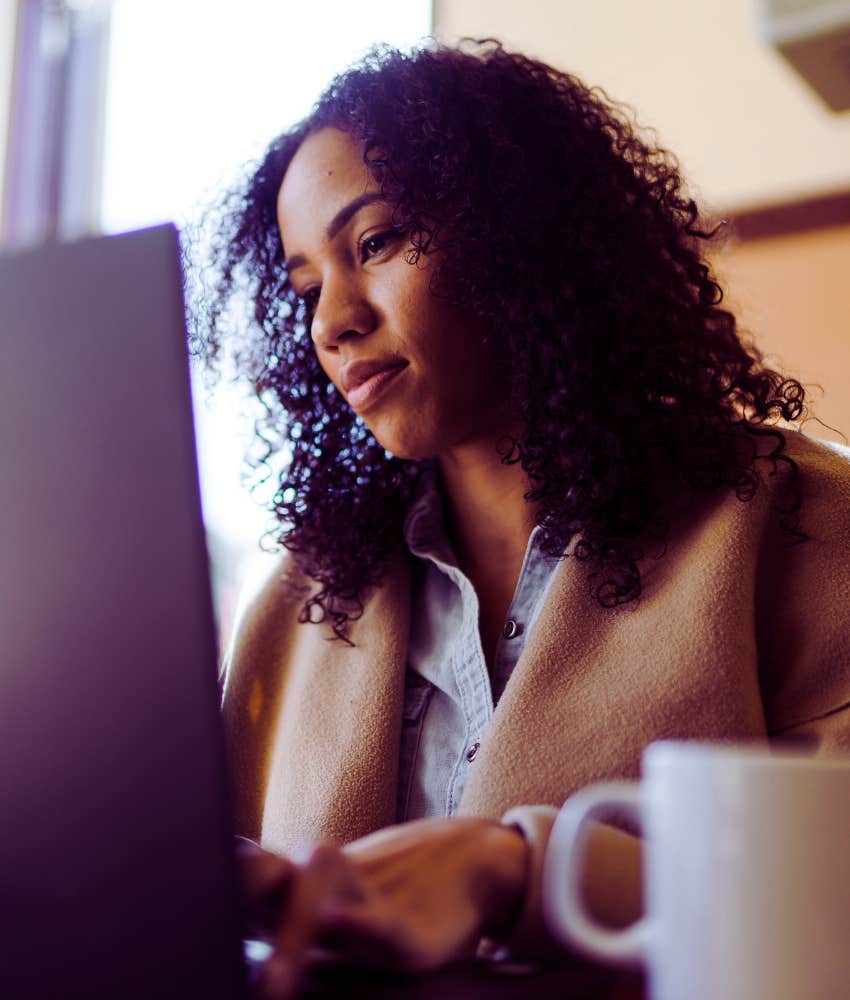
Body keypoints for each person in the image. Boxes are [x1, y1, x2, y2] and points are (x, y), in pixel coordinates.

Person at [190, 39, 850, 998]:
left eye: (373, 244)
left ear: (519, 234)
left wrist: (523, 871)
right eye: (306, 288)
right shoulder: (298, 601)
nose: (333, 320)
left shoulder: (793, 522)